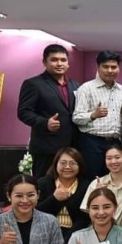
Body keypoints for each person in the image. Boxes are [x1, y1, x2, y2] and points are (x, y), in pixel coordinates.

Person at [17, 44, 80, 178]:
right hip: (46, 148)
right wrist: (45, 123)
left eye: (63, 60)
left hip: (72, 147)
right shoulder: (33, 84)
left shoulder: (75, 85)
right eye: (54, 60)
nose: (59, 63)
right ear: (44, 62)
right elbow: (23, 112)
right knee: (44, 185)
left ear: (68, 63)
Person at [73, 51, 122, 179]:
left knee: (114, 179)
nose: (110, 70)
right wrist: (94, 115)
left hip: (115, 142)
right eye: (105, 67)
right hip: (92, 142)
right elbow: (76, 118)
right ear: (98, 68)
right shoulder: (86, 88)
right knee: (92, 180)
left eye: (114, 67)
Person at [36, 147, 90, 244]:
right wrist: (54, 199)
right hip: (45, 232)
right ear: (55, 164)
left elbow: (84, 218)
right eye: (63, 163)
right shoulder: (43, 183)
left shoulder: (86, 186)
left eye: (73, 163)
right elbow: (36, 212)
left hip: (75, 233)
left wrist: (68, 240)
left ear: (80, 166)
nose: (68, 167)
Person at [80, 145, 122, 228]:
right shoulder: (96, 183)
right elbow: (87, 212)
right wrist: (96, 194)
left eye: (117, 157)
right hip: (100, 232)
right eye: (109, 158)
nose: (113, 161)